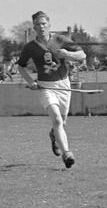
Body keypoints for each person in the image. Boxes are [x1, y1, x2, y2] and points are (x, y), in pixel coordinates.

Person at [17, 11, 86, 169]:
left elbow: (82, 55)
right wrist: (31, 82)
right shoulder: (30, 47)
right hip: (46, 87)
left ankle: (53, 136)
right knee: (56, 119)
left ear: (49, 25)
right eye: (38, 24)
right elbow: (20, 66)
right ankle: (67, 154)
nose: (41, 27)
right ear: (34, 27)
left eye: (44, 23)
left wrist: (68, 54)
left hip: (63, 85)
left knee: (63, 122)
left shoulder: (60, 40)